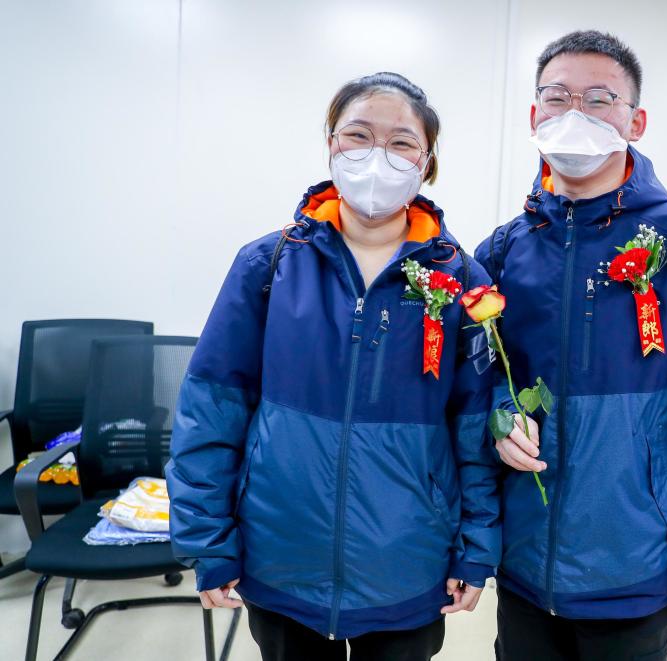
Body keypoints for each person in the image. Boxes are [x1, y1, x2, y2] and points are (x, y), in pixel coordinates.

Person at [166, 72, 500, 661]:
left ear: (427, 163)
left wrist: (476, 546)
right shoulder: (267, 265)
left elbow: (474, 429)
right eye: (359, 135)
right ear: (331, 145)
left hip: (407, 560)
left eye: (401, 143)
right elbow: (211, 410)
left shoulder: (462, 282)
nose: (379, 156)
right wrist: (208, 540)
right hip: (281, 553)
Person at [475, 30, 667, 660]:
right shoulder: (502, 251)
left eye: (600, 99)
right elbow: (477, 378)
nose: (575, 113)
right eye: (557, 97)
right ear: (533, 115)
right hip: (524, 559)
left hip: (635, 566)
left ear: (635, 121)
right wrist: (500, 412)